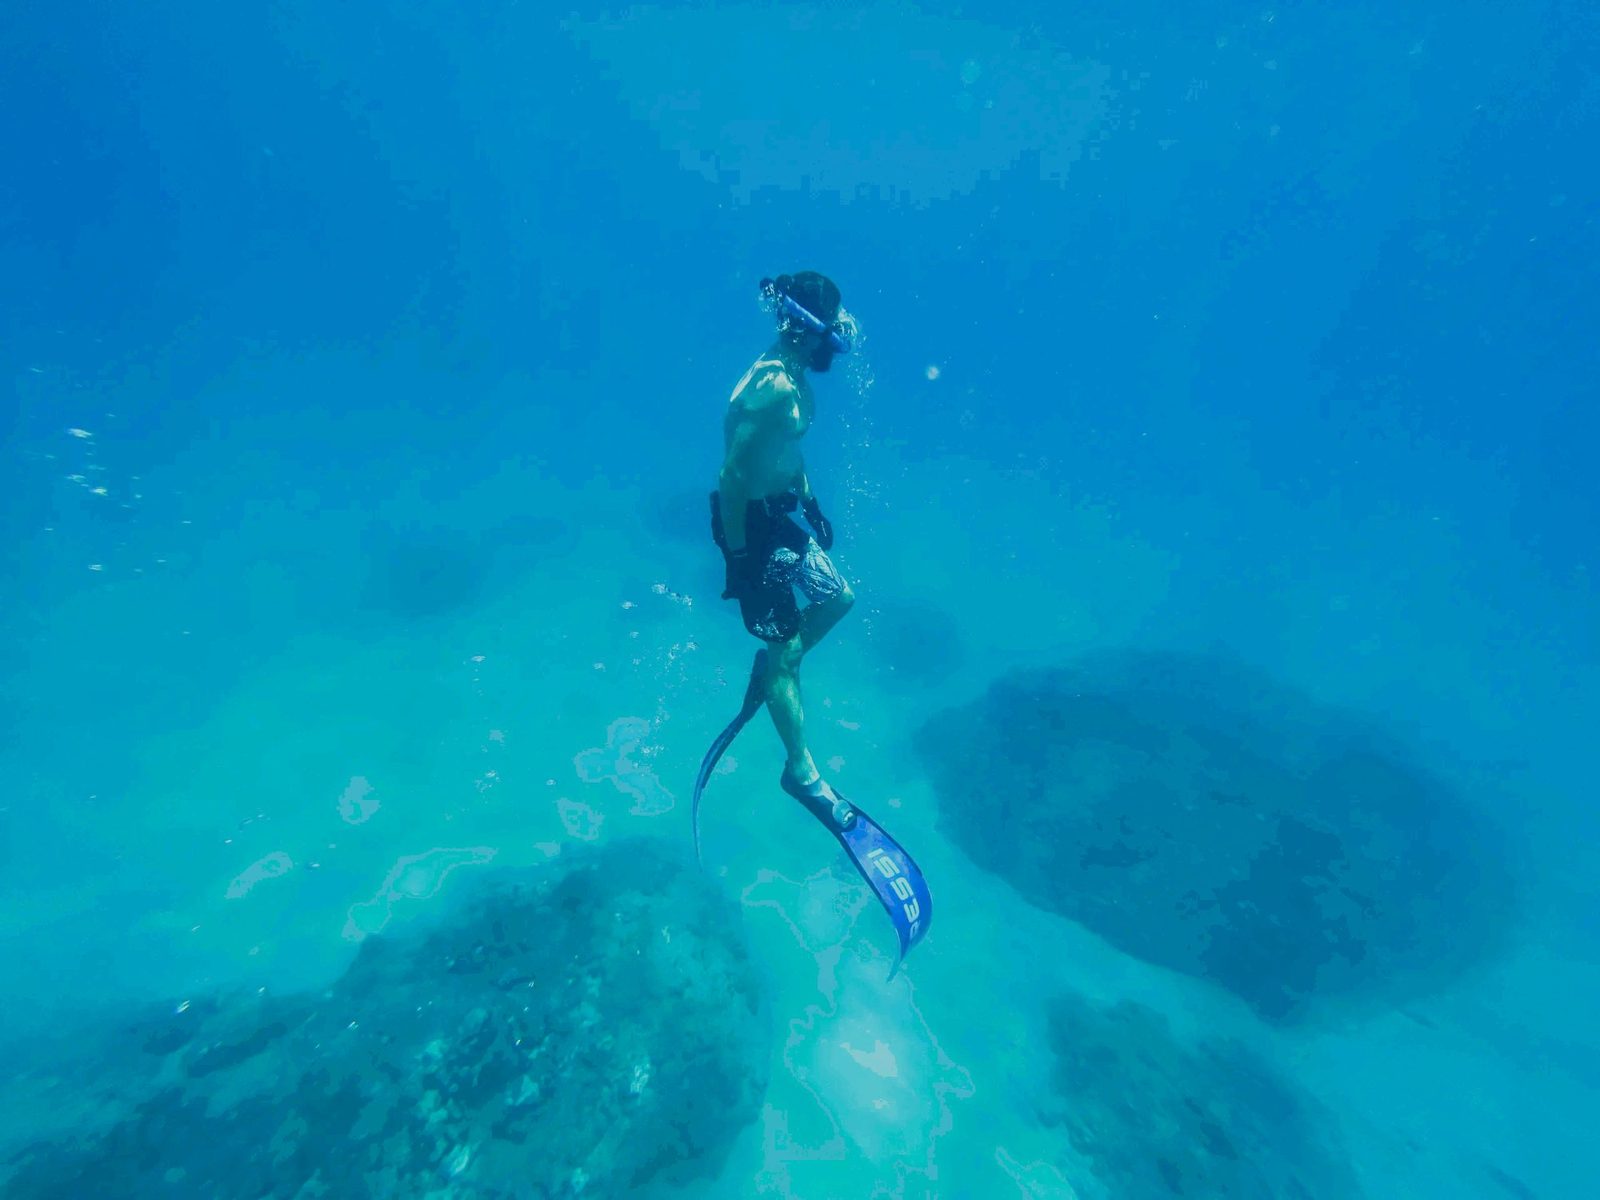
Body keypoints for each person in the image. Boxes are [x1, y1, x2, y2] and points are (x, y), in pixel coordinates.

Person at [711, 272, 858, 827]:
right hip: (750, 528)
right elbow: (731, 477)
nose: (838, 341)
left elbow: (783, 454)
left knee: (839, 599)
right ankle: (800, 772)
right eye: (832, 328)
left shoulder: (791, 375)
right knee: (788, 653)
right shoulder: (770, 388)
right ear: (807, 330)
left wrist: (810, 502)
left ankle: (773, 667)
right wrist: (738, 557)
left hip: (777, 514)